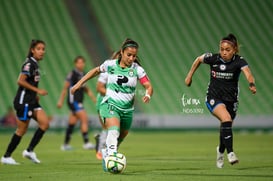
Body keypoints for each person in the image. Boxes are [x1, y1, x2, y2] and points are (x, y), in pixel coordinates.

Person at [71, 38, 153, 171]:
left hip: (127, 110)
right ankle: (112, 161)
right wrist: (79, 83)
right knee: (113, 131)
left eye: (134, 56)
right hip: (110, 105)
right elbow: (95, 71)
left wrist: (148, 94)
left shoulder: (137, 69)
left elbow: (148, 86)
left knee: (122, 135)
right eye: (129, 55)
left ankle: (107, 152)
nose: (132, 58)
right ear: (122, 52)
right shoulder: (110, 65)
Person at [185, 33, 256, 168]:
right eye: (222, 49)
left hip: (231, 100)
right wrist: (189, 76)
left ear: (234, 49)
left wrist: (251, 84)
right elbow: (198, 59)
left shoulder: (239, 61)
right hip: (213, 97)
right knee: (226, 119)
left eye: (227, 50)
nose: (224, 52)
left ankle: (220, 151)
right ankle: (230, 153)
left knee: (225, 127)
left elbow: (248, 73)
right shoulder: (213, 58)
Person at [1, 39, 50, 165]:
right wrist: (37, 90)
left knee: (44, 123)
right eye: (38, 49)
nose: (41, 51)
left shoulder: (35, 65)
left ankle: (29, 151)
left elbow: (30, 81)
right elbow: (21, 81)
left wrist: (35, 95)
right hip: (23, 101)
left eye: (43, 49)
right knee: (22, 130)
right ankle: (6, 156)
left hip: (32, 101)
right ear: (32, 50)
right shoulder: (28, 64)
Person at [57, 56, 97, 150]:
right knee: (84, 119)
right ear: (75, 64)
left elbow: (86, 88)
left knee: (72, 122)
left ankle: (65, 145)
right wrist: (60, 101)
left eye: (82, 62)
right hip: (73, 101)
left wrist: (93, 98)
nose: (81, 64)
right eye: (79, 62)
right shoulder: (72, 74)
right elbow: (65, 88)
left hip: (78, 101)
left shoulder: (83, 74)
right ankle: (86, 143)